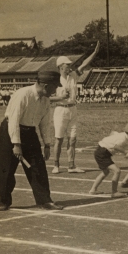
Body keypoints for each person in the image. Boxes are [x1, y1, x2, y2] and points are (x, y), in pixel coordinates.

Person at [0, 71, 63, 211]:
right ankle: (4, 200)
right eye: (55, 87)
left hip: (30, 132)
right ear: (45, 86)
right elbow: (13, 121)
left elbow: (44, 123)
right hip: (10, 131)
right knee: (6, 169)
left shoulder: (45, 100)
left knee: (38, 167)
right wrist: (16, 144)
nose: (56, 90)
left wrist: (47, 144)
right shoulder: (22, 95)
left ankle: (45, 200)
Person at [51, 42, 100, 174]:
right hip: (60, 110)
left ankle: (71, 166)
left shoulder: (73, 75)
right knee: (59, 139)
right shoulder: (54, 80)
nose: (70, 66)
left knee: (72, 139)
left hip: (73, 109)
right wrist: (60, 98)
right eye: (67, 64)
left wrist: (94, 53)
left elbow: (84, 64)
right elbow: (48, 98)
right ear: (61, 66)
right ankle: (56, 165)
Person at [89, 122, 128, 198]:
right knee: (117, 171)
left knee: (105, 172)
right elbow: (116, 146)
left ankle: (93, 189)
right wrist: (125, 152)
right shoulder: (123, 139)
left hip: (101, 151)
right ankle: (114, 192)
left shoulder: (122, 135)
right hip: (102, 153)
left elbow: (113, 133)